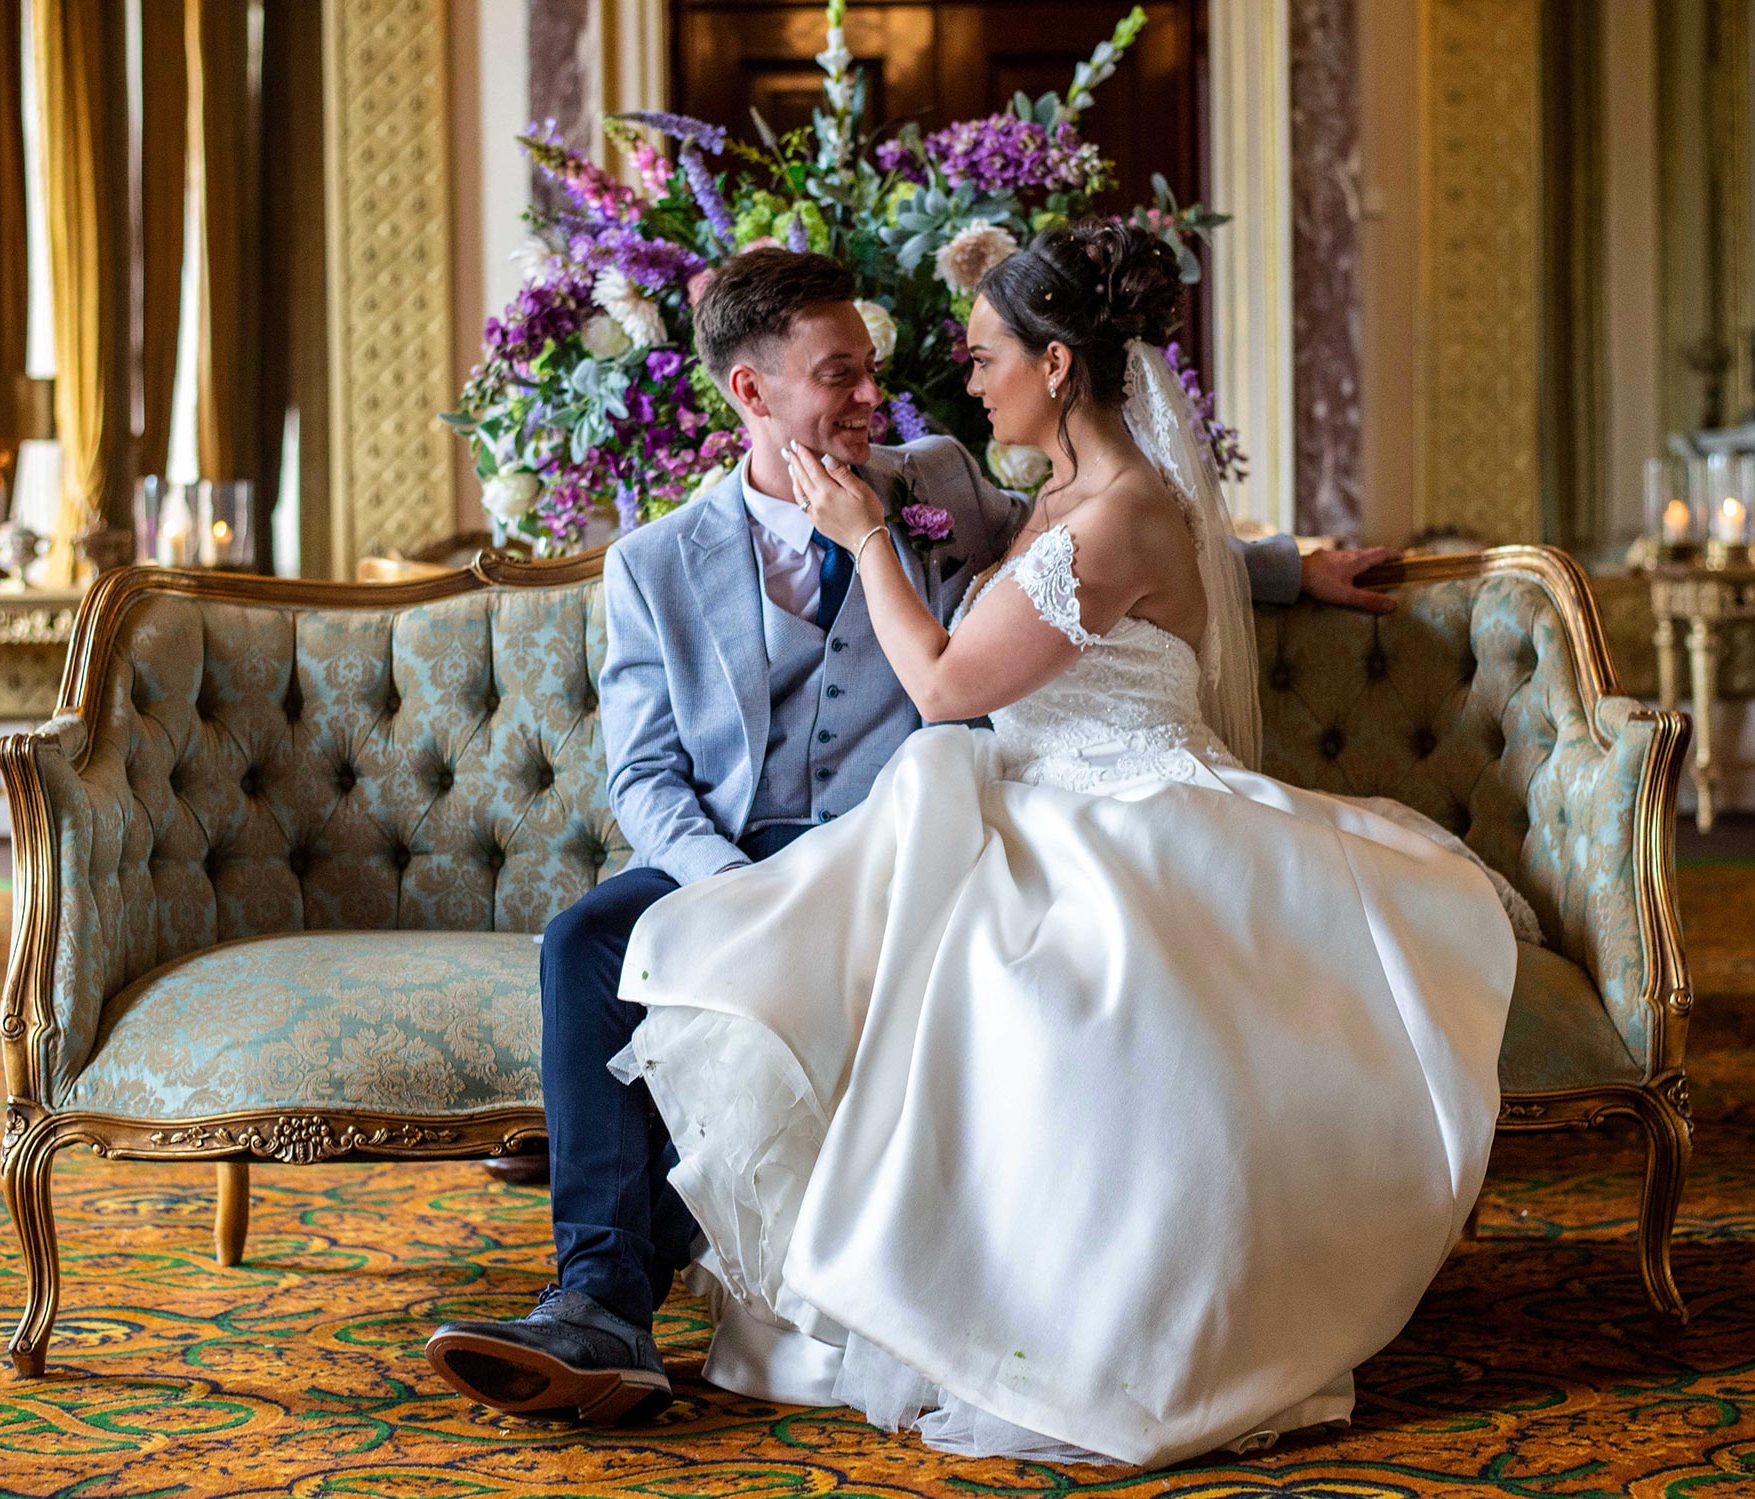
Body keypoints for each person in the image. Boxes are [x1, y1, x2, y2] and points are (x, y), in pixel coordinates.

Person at [423, 243, 1455, 1446]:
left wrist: (1287, 566)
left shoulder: (942, 482)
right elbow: (645, 775)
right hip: (739, 852)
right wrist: (730, 888)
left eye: (874, 368)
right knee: (588, 940)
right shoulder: (652, 563)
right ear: (752, 394)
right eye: (838, 376)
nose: (876, 398)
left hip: (906, 833)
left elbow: (1089, 546)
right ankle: (599, 1300)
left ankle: (608, 1304)